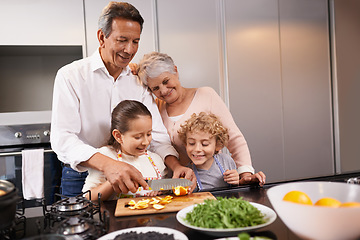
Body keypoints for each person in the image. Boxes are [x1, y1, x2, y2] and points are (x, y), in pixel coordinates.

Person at [50, 2, 195, 198]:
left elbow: (158, 137)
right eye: (122, 40)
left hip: (135, 170)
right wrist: (108, 164)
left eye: (135, 41)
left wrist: (176, 166)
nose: (129, 50)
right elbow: (63, 138)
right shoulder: (71, 76)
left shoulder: (139, 81)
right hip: (82, 176)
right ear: (102, 37)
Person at [136, 52, 266, 186]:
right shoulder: (155, 108)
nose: (163, 91)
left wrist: (245, 175)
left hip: (212, 180)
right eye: (156, 88)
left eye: (166, 81)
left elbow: (234, 138)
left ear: (175, 71)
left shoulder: (206, 95)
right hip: (175, 185)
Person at [83, 100, 166, 200]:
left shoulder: (156, 160)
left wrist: (160, 191)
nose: (145, 142)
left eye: (148, 134)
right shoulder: (106, 156)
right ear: (118, 136)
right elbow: (89, 197)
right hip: (115, 214)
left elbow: (165, 190)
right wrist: (113, 182)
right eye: (138, 137)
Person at [178, 112, 240, 190]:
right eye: (192, 143)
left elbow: (237, 189)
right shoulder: (187, 173)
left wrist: (236, 180)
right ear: (185, 144)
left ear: (218, 145)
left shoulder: (226, 161)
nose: (197, 149)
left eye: (205, 144)